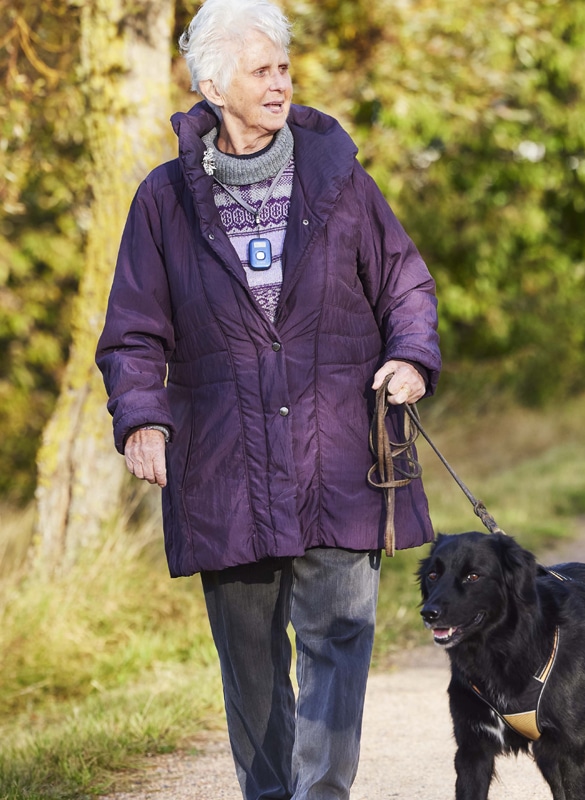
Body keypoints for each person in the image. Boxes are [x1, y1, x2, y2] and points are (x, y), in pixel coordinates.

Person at [95, 1, 441, 798]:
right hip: (226, 467)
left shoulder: (340, 180)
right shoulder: (163, 202)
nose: (281, 82)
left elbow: (405, 285)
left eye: (284, 66)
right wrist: (142, 415)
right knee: (251, 665)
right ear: (216, 86)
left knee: (339, 638)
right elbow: (133, 332)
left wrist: (411, 357)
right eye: (263, 70)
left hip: (337, 457)